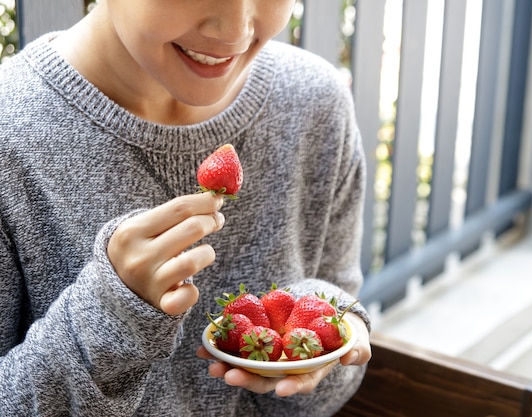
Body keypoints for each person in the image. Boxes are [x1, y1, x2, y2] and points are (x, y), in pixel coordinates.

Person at [0, 0, 372, 416]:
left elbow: (323, 395)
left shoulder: (315, 102)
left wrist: (324, 333)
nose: (234, 31)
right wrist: (107, 321)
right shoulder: (9, 137)